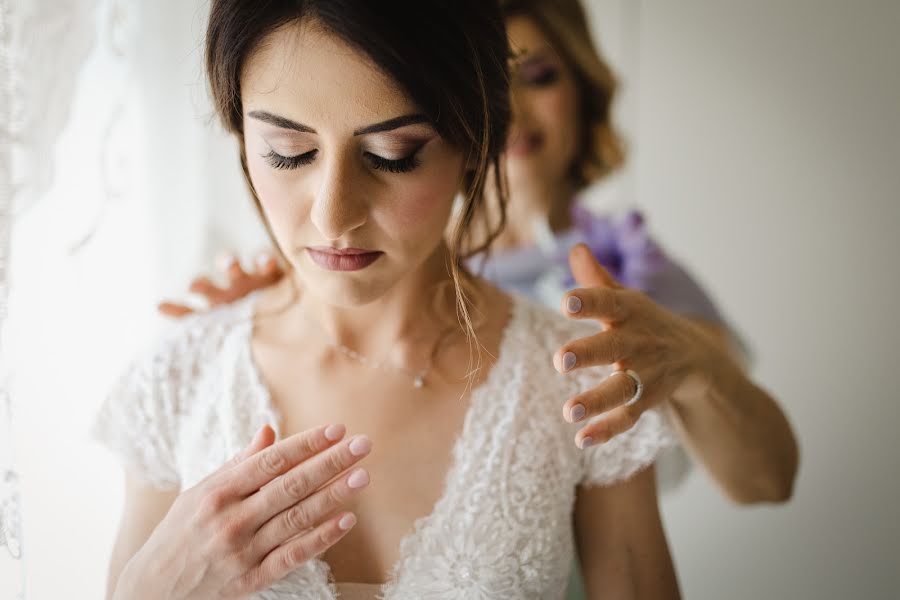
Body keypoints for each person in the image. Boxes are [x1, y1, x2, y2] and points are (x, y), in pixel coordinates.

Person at [93, 1, 682, 599]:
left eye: (392, 155)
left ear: (475, 141)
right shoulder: (178, 380)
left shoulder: (579, 382)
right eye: (288, 152)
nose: (333, 216)